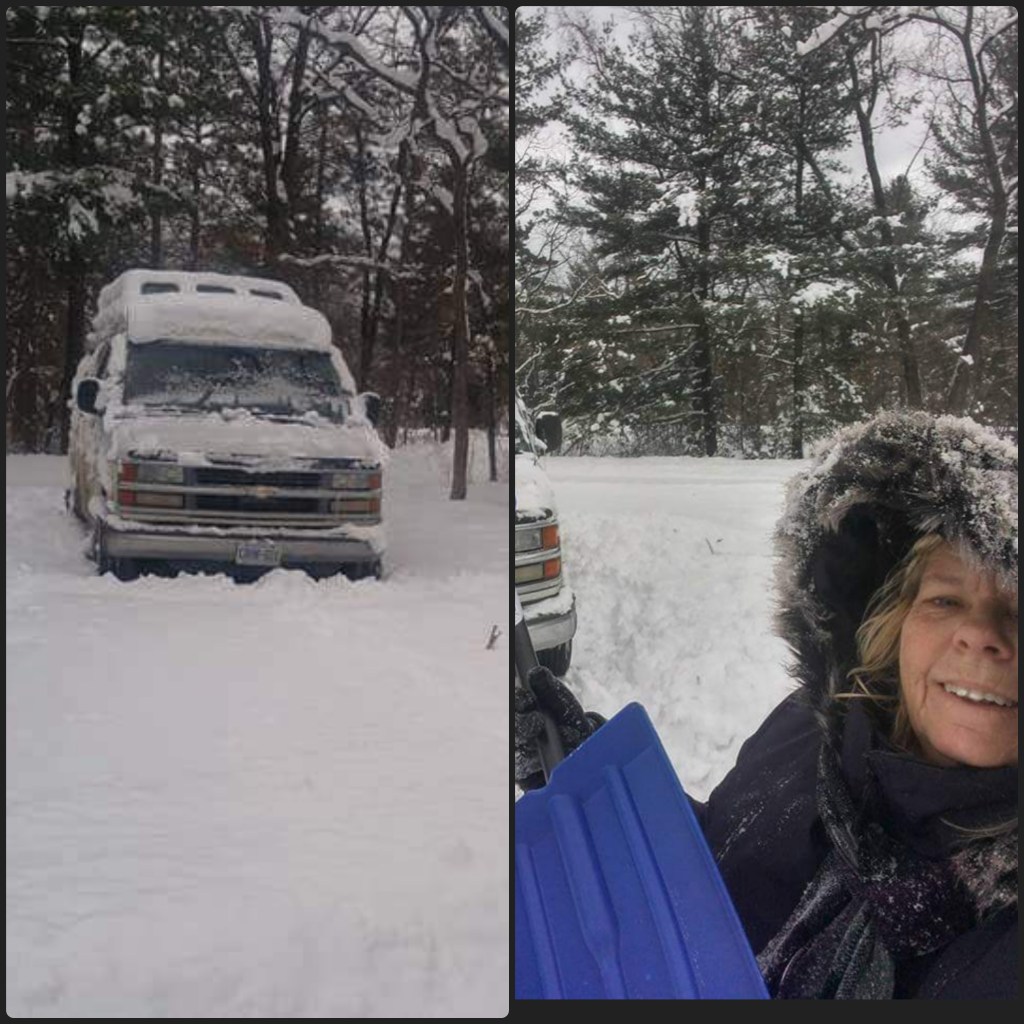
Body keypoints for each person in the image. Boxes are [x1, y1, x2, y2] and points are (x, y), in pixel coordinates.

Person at [514, 411, 1017, 999]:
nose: (980, 634)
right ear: (894, 624)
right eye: (946, 599)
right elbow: (719, 878)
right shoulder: (810, 735)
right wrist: (598, 792)